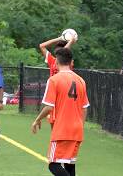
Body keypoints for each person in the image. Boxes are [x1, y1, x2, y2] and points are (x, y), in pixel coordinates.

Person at [31, 48, 90, 176]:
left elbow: (49, 107)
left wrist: (37, 120)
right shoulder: (81, 81)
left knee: (53, 165)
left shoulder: (54, 80)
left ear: (56, 61)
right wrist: (80, 126)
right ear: (71, 62)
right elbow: (84, 108)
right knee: (69, 165)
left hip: (62, 130)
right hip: (77, 130)